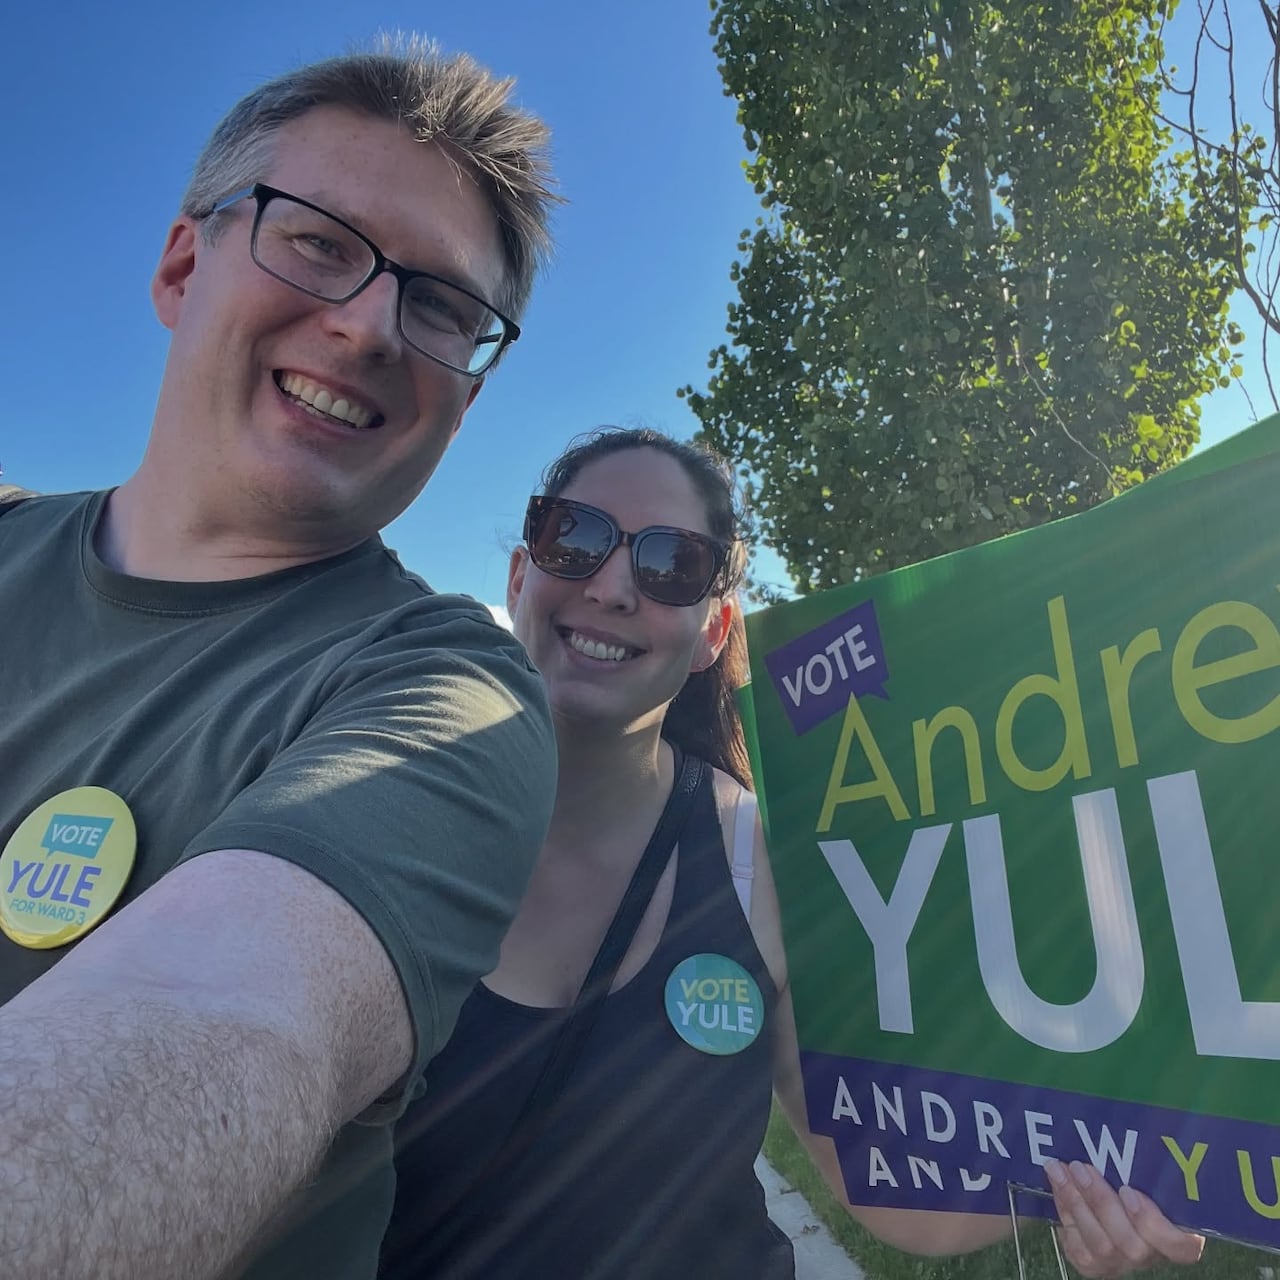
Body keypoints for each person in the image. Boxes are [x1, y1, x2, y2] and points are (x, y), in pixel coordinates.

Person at [381, 427, 1206, 1279]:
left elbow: (876, 1177)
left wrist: (1084, 1190)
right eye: (577, 537)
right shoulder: (382, 817)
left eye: (673, 566)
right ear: (522, 575)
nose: (615, 585)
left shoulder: (764, 856)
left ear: (714, 630)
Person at [0, 41, 561, 1280]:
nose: (368, 323)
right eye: (316, 240)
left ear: (463, 401)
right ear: (183, 261)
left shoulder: (443, 696)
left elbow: (231, 1016)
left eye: (440, 305)